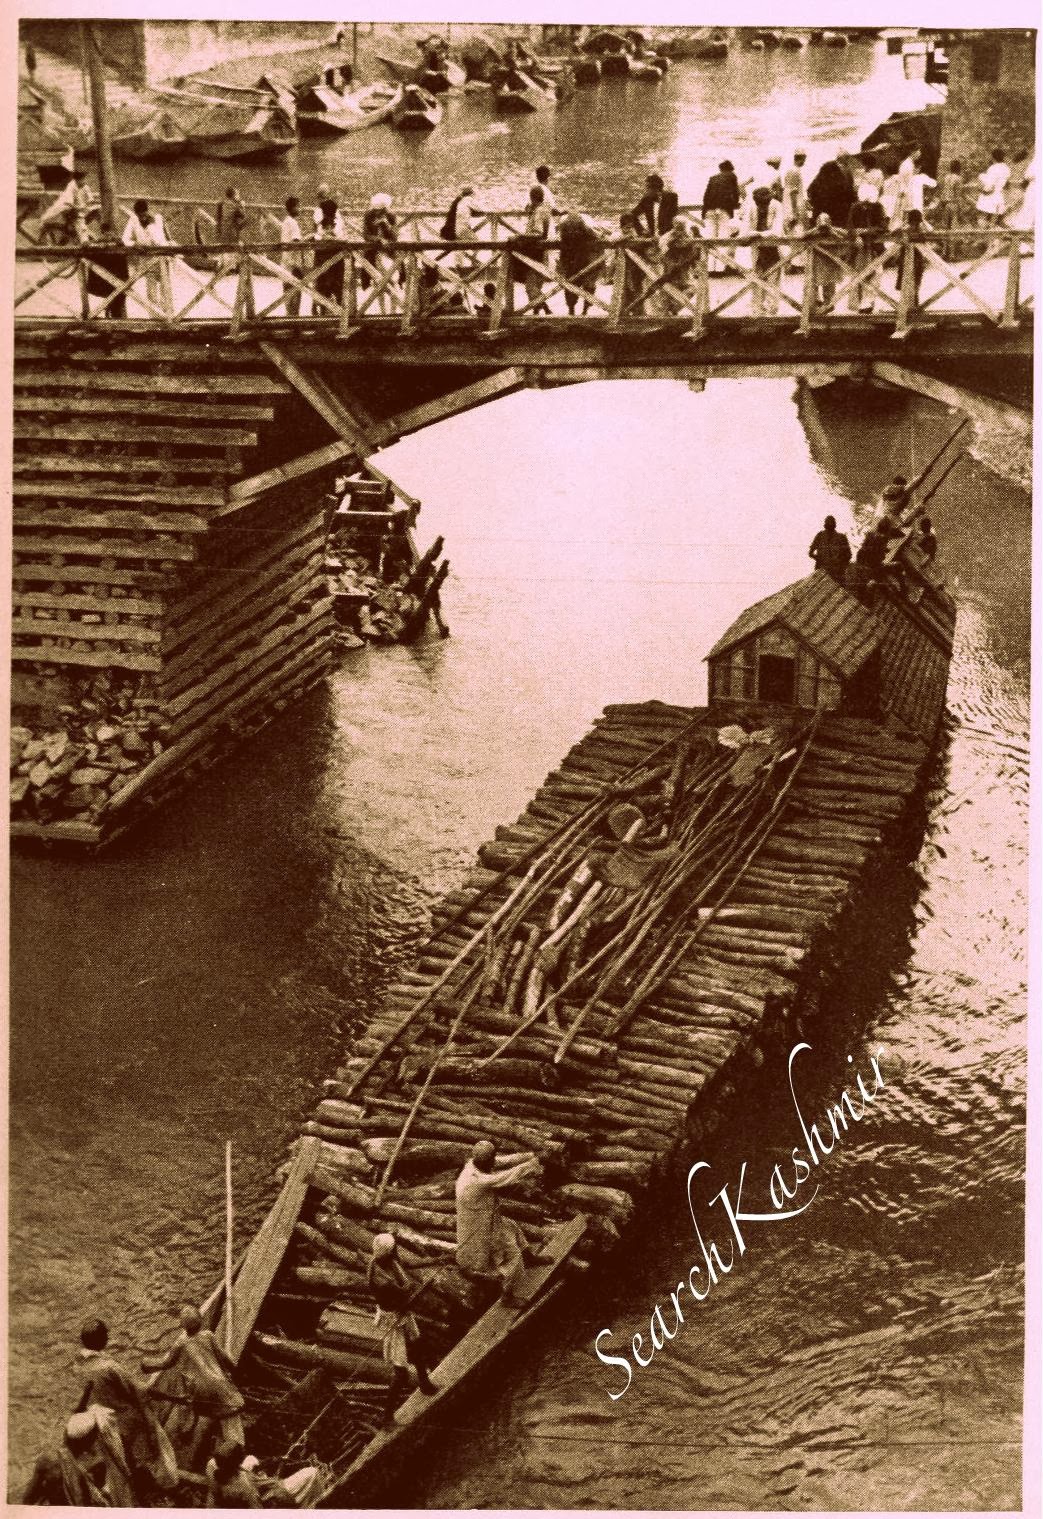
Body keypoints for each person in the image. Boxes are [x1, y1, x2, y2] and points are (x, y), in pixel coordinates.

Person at [76, 1316, 177, 1500]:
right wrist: (168, 1397)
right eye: (105, 1335)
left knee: (120, 1460)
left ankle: (123, 1486)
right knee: (155, 1447)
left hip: (102, 1422)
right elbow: (139, 1391)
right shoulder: (109, 1367)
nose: (108, 1337)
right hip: (126, 1422)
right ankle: (159, 1487)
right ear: (100, 1340)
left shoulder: (80, 1366)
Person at [144, 1304, 245, 1472]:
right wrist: (234, 1372)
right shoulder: (209, 1335)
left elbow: (165, 1363)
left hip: (199, 1396)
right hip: (220, 1390)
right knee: (233, 1428)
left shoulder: (180, 1343)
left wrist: (148, 1364)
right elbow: (225, 1359)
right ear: (201, 1321)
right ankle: (234, 1460)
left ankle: (188, 1425)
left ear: (183, 1326)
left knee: (188, 1385)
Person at [455, 1139, 543, 1296]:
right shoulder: (477, 1180)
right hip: (480, 1225)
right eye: (492, 1159)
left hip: (487, 1216)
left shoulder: (475, 1163)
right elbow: (506, 1176)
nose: (494, 1162)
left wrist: (531, 1155)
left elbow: (504, 1160)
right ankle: (507, 1295)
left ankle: (530, 1258)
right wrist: (534, 1163)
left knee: (512, 1226)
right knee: (512, 1255)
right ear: (485, 1161)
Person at [367, 1233, 438, 1408]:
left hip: (402, 1313)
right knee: (401, 1372)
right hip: (394, 1319)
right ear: (388, 1253)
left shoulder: (388, 1261)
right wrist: (423, 1288)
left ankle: (425, 1384)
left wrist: (437, 1260)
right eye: (393, 1250)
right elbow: (403, 1300)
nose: (395, 1252)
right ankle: (388, 1413)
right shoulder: (381, 1280)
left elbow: (407, 1265)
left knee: (417, 1347)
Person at [121, 200, 171, 315]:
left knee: (165, 289)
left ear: (147, 211)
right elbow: (125, 239)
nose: (142, 218)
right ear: (136, 214)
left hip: (162, 257)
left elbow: (160, 241)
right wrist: (134, 244)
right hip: (147, 259)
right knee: (151, 291)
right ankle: (154, 317)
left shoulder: (157, 219)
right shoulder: (133, 220)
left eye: (144, 215)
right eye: (140, 216)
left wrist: (150, 226)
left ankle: (167, 315)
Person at [741, 185, 784, 314]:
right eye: (759, 204)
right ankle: (757, 309)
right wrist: (754, 234)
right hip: (758, 249)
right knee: (757, 278)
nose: (762, 207)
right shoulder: (751, 206)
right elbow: (744, 230)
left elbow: (777, 231)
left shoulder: (777, 206)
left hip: (774, 249)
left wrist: (757, 234)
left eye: (765, 204)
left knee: (773, 278)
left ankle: (772, 310)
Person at [846, 179, 887, 312]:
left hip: (874, 247)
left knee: (877, 273)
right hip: (859, 248)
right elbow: (850, 226)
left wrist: (865, 231)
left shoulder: (878, 207)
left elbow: (883, 226)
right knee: (858, 274)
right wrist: (856, 235)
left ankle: (868, 302)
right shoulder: (855, 207)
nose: (866, 206)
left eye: (868, 203)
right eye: (864, 203)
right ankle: (859, 304)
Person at [514, 185, 552, 312]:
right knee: (535, 283)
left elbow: (538, 233)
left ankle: (545, 308)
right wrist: (531, 210)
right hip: (541, 250)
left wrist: (520, 236)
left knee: (530, 286)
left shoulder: (539, 211)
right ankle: (538, 309)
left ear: (532, 198)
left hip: (534, 251)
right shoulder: (544, 209)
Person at [83, 213, 130, 318]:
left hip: (108, 281)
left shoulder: (99, 243)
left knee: (115, 298)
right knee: (117, 299)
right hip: (116, 280)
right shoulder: (118, 242)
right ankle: (117, 317)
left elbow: (89, 255)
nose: (108, 235)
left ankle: (114, 316)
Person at [557, 208, 603, 314]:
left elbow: (595, 234)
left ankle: (581, 310)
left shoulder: (582, 224)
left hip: (584, 257)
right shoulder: (566, 224)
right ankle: (574, 309)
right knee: (572, 284)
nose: (572, 233)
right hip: (574, 257)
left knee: (585, 284)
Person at [701, 160, 741, 270]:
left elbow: (706, 196)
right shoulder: (732, 176)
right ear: (731, 168)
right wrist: (735, 204)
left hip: (709, 210)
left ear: (720, 169)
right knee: (723, 238)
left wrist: (704, 213)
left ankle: (709, 268)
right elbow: (735, 193)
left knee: (710, 239)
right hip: (723, 209)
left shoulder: (713, 178)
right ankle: (720, 267)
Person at [39, 168, 93, 244]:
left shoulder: (85, 187)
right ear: (77, 180)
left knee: (81, 221)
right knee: (78, 220)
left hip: (76, 208)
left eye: (84, 179)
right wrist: (80, 208)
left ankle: (75, 238)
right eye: (82, 179)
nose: (84, 181)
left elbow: (90, 199)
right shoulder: (71, 186)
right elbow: (69, 203)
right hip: (66, 207)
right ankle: (84, 241)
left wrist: (88, 204)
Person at [313, 195, 347, 310]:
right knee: (324, 285)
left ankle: (334, 310)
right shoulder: (323, 223)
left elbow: (341, 237)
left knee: (333, 285)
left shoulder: (336, 222)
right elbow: (318, 236)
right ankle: (323, 309)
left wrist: (329, 238)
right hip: (326, 258)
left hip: (333, 259)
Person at [808, 212, 844, 311]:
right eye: (821, 227)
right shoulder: (814, 232)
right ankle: (814, 302)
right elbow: (802, 236)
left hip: (831, 259)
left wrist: (835, 234)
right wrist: (815, 231)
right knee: (814, 281)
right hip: (818, 260)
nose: (823, 230)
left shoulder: (836, 231)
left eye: (825, 227)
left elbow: (848, 235)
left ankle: (829, 304)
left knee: (830, 282)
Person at [807, 157, 855, 229]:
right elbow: (849, 195)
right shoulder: (840, 181)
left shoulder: (817, 181)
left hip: (821, 217)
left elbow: (810, 192)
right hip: (837, 217)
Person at [895, 208, 929, 308]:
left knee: (912, 283)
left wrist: (904, 226)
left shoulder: (915, 230)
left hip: (913, 258)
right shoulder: (913, 230)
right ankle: (910, 305)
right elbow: (894, 233)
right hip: (910, 258)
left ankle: (910, 305)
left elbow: (894, 233)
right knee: (911, 283)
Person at [279, 195, 307, 317]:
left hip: (286, 262)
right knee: (295, 295)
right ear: (293, 208)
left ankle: (289, 317)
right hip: (293, 264)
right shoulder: (293, 223)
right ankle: (293, 319)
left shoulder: (286, 221)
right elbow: (296, 242)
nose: (300, 209)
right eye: (298, 206)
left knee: (288, 293)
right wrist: (307, 239)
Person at [808, 514, 852, 580]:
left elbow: (848, 555)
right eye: (828, 522)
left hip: (837, 572)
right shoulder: (820, 536)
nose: (830, 524)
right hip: (822, 571)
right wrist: (819, 559)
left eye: (831, 522)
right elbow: (810, 553)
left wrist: (840, 564)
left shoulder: (841, 537)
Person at [976, 148, 1010, 227]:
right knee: (994, 218)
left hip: (990, 195)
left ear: (993, 157)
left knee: (982, 216)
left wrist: (982, 188)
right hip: (999, 195)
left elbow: (989, 185)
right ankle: (992, 228)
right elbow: (1005, 182)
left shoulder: (993, 168)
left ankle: (983, 230)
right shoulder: (1006, 168)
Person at [782, 150, 809, 233]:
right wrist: (794, 212)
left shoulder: (792, 170)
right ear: (801, 159)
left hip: (791, 205)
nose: (804, 162)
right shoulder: (794, 171)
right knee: (796, 231)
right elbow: (793, 192)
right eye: (804, 159)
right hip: (793, 207)